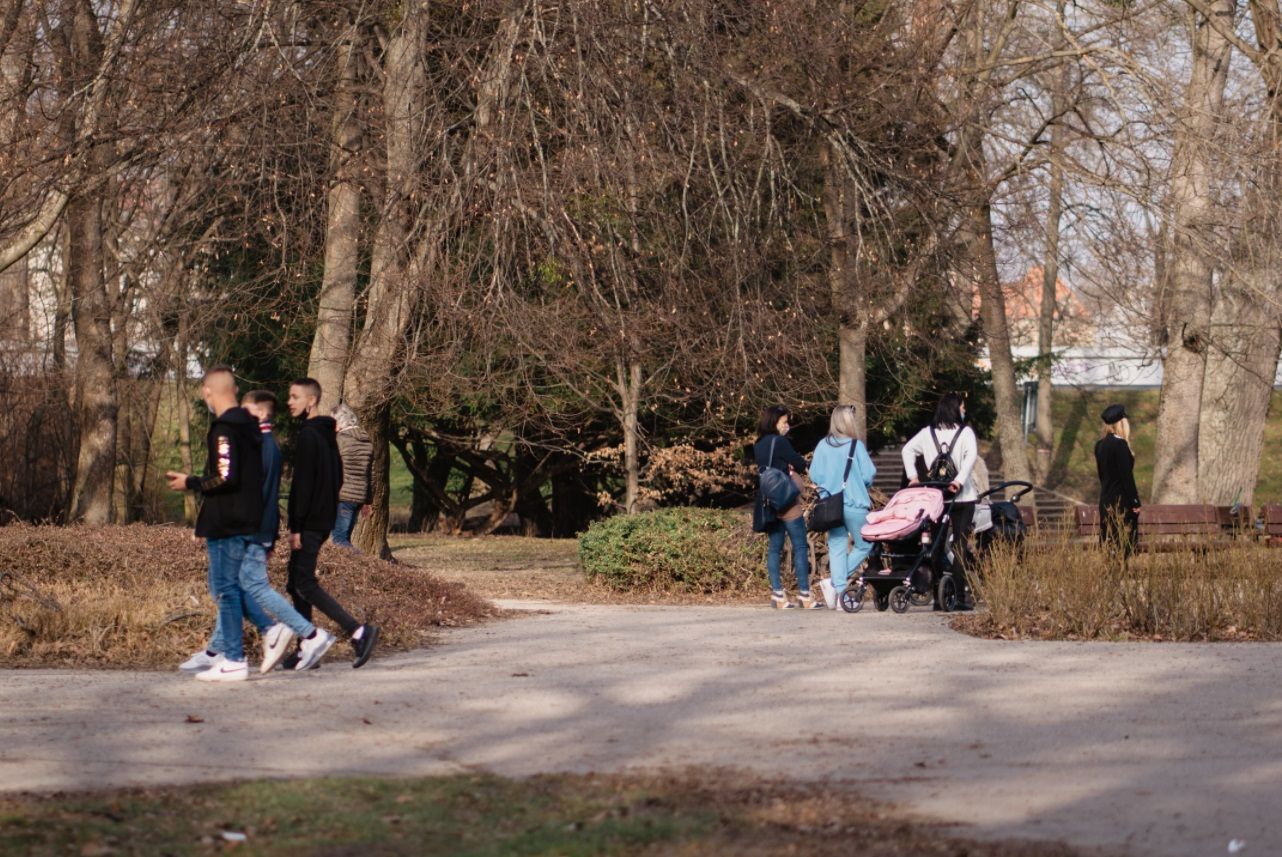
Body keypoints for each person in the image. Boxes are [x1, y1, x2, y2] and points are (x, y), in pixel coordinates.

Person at [180, 391, 338, 675]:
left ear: (262, 414)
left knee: (245, 586)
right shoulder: (258, 442)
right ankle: (218, 650)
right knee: (228, 588)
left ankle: (304, 634)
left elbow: (258, 494)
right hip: (250, 527)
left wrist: (259, 534)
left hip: (251, 529)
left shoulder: (263, 446)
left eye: (247, 410)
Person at [166, 367, 264, 683]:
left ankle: (235, 657)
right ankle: (258, 638)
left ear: (209, 392)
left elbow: (224, 475)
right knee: (233, 587)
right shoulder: (250, 427)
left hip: (227, 521)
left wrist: (190, 481)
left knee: (225, 588)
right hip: (247, 517)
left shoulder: (223, 429)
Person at [286, 378, 379, 668]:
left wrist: (296, 526)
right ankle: (305, 647)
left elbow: (302, 485)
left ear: (311, 401)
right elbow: (337, 478)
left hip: (309, 522)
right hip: (321, 519)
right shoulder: (328, 436)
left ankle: (358, 631)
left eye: (295, 396)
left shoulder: (308, 436)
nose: (289, 401)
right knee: (294, 582)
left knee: (304, 583)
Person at [901, 392, 978, 610]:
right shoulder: (966, 433)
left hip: (936, 497)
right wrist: (959, 481)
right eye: (963, 407)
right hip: (963, 497)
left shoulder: (927, 433)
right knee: (960, 545)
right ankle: (960, 598)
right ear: (956, 408)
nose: (964, 411)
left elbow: (907, 450)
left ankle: (938, 596)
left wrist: (913, 477)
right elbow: (970, 458)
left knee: (934, 545)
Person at [809, 405, 876, 610]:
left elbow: (814, 475)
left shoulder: (822, 445)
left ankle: (839, 593)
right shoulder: (856, 446)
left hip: (831, 505)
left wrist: (826, 490)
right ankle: (838, 584)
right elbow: (868, 475)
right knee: (866, 543)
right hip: (854, 502)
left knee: (837, 546)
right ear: (849, 422)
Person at [752, 405, 817, 609]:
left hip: (768, 501)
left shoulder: (759, 443)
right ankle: (805, 595)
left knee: (774, 548)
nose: (787, 425)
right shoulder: (779, 441)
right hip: (786, 501)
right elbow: (798, 463)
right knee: (799, 545)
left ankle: (778, 594)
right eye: (784, 422)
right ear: (774, 422)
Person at [1096, 403, 1141, 555]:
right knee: (1123, 544)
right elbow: (1126, 477)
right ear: (1121, 423)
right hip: (1121, 503)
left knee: (1110, 543)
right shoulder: (1120, 445)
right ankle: (1121, 574)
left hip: (1105, 501)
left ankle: (1111, 575)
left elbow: (1102, 475)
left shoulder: (1100, 445)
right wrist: (1135, 501)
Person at [331, 403, 373, 551]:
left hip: (344, 496)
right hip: (359, 497)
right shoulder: (366, 441)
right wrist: (368, 501)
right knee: (345, 538)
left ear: (339, 422)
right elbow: (370, 474)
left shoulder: (340, 440)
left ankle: (364, 564)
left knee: (339, 541)